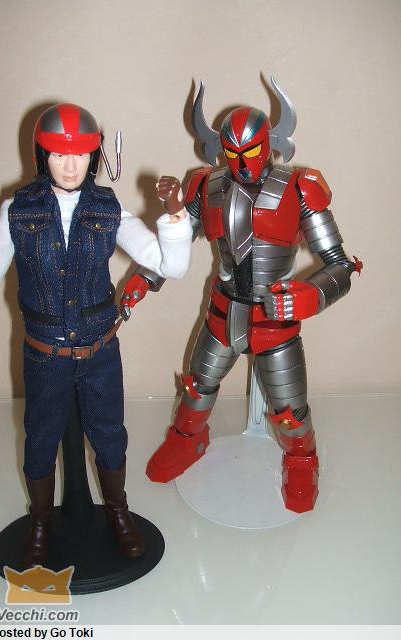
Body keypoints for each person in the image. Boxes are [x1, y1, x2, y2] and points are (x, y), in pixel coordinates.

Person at [0, 103, 192, 565]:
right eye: (59, 154)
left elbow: (172, 265)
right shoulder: (16, 213)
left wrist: (175, 215)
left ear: (94, 157)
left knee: (110, 436)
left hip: (99, 351)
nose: (70, 166)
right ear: (41, 155)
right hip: (44, 355)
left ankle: (118, 512)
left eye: (81, 155)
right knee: (40, 440)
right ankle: (40, 522)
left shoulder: (108, 209)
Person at [140, 79, 361, 513]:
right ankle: (188, 438)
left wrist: (312, 294)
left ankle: (302, 458)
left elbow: (340, 263)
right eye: (233, 153)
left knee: (289, 409)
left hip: (275, 319)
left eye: (252, 151)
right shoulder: (206, 186)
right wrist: (144, 279)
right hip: (223, 312)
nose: (242, 163)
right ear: (221, 149)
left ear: (269, 145)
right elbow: (173, 247)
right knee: (198, 386)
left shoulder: (300, 187)